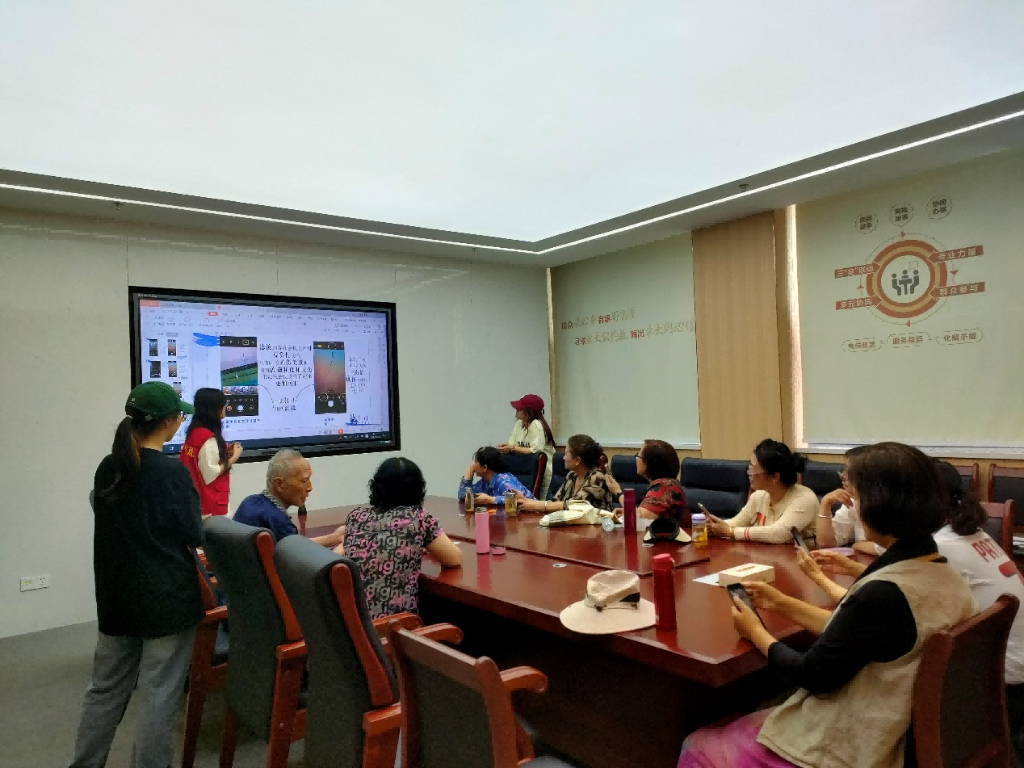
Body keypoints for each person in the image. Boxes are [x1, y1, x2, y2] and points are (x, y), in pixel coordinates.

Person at [677, 442, 977, 768]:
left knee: (698, 744)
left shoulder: (883, 593)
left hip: (858, 743)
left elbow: (812, 674)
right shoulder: (940, 571)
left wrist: (755, 632)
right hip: (904, 725)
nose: (854, 507)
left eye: (856, 497)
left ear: (879, 506)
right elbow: (851, 630)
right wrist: (781, 602)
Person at [68, 381, 203, 768]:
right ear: (170, 421)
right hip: (166, 602)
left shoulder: (108, 468)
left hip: (116, 599)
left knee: (104, 690)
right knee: (159, 696)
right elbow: (193, 534)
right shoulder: (172, 473)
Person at [339, 457, 462, 618]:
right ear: (418, 488)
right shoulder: (418, 518)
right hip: (394, 625)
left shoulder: (356, 517)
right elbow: (453, 559)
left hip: (353, 622)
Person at [706, 439, 817, 544]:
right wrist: (713, 526)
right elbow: (737, 523)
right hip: (765, 556)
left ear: (775, 477)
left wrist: (731, 532)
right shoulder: (759, 496)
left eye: (754, 468)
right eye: (750, 466)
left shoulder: (804, 499)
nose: (749, 472)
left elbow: (779, 534)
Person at [233, 449, 344, 547]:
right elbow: (302, 556)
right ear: (279, 484)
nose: (310, 487)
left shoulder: (249, 502)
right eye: (304, 480)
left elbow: (296, 546)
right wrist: (342, 549)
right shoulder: (277, 521)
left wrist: (332, 538)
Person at [516, 434, 618, 513]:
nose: (564, 458)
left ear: (577, 460)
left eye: (566, 453)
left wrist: (535, 505)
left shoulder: (597, 477)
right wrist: (527, 501)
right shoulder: (572, 475)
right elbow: (555, 502)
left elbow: (573, 505)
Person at [179, 387, 241, 517]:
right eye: (223, 405)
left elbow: (201, 462)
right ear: (216, 409)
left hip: (198, 503)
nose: (225, 407)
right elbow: (211, 473)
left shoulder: (194, 432)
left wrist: (223, 452)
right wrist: (234, 458)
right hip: (210, 508)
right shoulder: (207, 438)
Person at [815, 445, 884, 555]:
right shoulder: (854, 501)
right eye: (844, 469)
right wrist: (825, 504)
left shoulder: (893, 503)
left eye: (849, 471)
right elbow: (826, 545)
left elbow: (893, 549)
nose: (842, 475)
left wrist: (859, 545)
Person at [612, 439, 689, 524]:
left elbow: (639, 520)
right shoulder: (667, 483)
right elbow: (644, 514)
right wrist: (626, 511)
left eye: (638, 456)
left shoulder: (664, 487)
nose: (636, 459)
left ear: (651, 463)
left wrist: (618, 492)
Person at [498, 394, 556, 499]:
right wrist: (505, 447)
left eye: (519, 409)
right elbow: (512, 443)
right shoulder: (519, 424)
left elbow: (535, 450)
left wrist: (512, 448)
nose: (516, 410)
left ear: (529, 412)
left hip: (543, 472)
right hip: (526, 467)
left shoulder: (536, 425)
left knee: (539, 500)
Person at [458, 446, 536, 505]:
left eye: (475, 462)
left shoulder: (504, 481)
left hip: (532, 516)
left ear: (484, 468)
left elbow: (518, 500)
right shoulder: (484, 483)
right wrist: (470, 470)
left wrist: (490, 500)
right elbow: (463, 495)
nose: (473, 465)